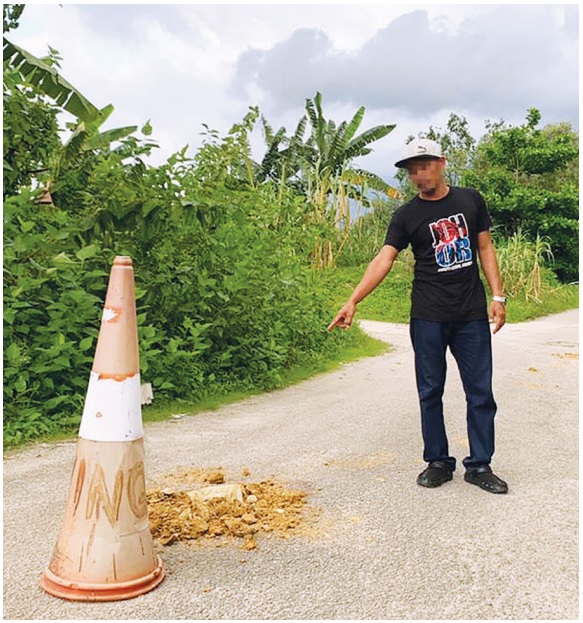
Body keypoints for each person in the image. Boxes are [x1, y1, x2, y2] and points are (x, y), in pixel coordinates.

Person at [328, 138, 508, 494]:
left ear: (441, 163)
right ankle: (438, 461)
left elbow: (485, 247)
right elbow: (384, 258)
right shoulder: (406, 215)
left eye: (423, 166)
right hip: (427, 316)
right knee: (430, 391)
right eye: (412, 169)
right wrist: (353, 300)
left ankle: (480, 464)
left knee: (480, 392)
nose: (417, 175)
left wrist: (498, 296)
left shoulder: (470, 200)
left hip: (471, 315)